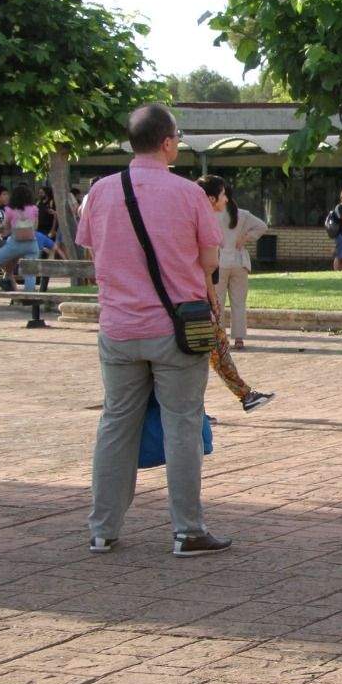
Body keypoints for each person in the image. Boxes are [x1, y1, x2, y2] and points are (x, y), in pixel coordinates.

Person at [79, 103, 231, 558]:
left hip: (119, 328)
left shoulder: (101, 193)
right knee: (182, 423)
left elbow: (93, 255)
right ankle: (187, 530)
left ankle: (102, 528)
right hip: (178, 329)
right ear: (167, 142)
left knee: (115, 423)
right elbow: (209, 262)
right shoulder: (188, 194)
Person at [195, 176, 275, 413]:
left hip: (207, 288)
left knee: (218, 352)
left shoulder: (205, 218)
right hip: (200, 296)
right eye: (222, 194)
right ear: (211, 198)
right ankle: (198, 410)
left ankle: (245, 395)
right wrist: (211, 301)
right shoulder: (206, 221)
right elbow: (207, 266)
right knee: (204, 357)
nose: (225, 199)